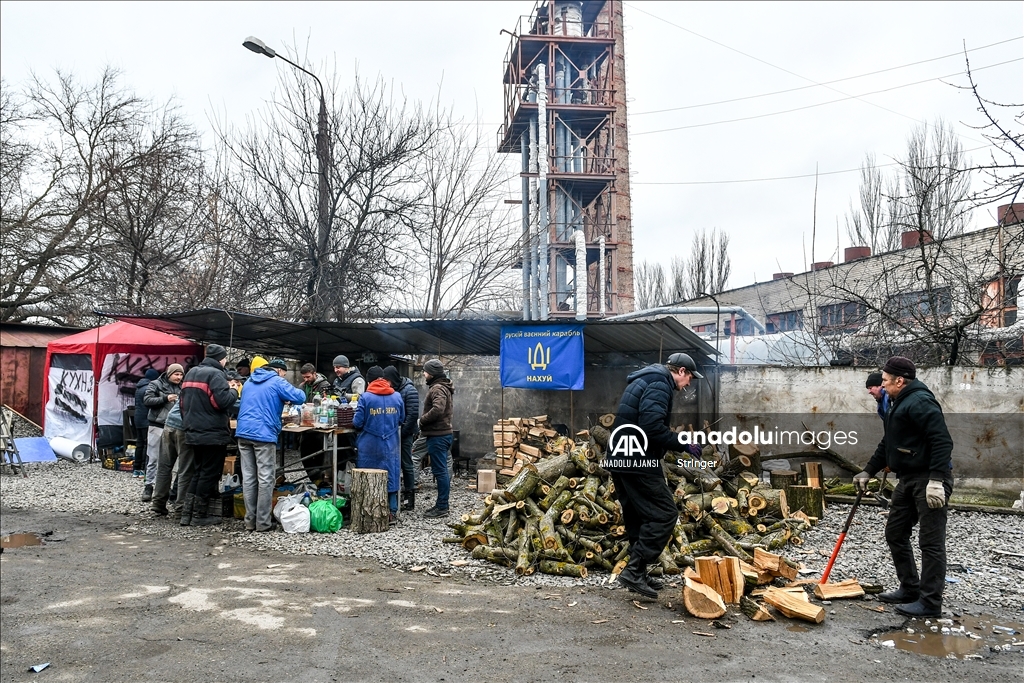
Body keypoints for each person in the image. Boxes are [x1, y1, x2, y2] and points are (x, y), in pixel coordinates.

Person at [854, 356, 953, 618]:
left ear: (900, 380)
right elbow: (888, 443)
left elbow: (942, 441)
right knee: (895, 533)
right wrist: (868, 470)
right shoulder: (899, 403)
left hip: (927, 480)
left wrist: (936, 479)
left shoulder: (920, 401)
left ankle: (930, 603)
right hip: (907, 478)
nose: (882, 386)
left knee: (930, 543)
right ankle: (910, 588)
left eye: (885, 381)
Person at [605, 352, 702, 599]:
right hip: (637, 458)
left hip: (621, 455)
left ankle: (639, 570)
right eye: (689, 376)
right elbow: (651, 427)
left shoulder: (647, 379)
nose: (689, 383)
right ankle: (635, 570)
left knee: (639, 515)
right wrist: (683, 443)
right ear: (680, 371)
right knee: (665, 514)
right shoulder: (660, 383)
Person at [236, 358, 306, 532]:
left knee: (249, 478)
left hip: (243, 432)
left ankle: (250, 521)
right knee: (266, 478)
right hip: (263, 434)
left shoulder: (249, 382)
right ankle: (263, 523)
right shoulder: (277, 381)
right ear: (279, 371)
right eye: (284, 373)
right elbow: (300, 397)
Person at [179, 344, 240, 527]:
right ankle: (199, 515)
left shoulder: (190, 372)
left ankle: (187, 514)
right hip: (212, 432)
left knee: (198, 472)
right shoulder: (216, 374)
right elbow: (223, 402)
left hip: (192, 430)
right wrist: (234, 390)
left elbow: (182, 403)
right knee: (209, 474)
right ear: (221, 359)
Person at [352, 366, 405, 520]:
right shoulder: (396, 396)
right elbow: (402, 419)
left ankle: (368, 511)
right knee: (391, 475)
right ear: (383, 379)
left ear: (369, 380)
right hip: (391, 444)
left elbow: (357, 422)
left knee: (368, 476)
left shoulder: (366, 397)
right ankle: (392, 511)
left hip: (369, 444)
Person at [141, 364, 184, 501]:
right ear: (169, 373)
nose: (179, 377)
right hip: (157, 425)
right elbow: (147, 400)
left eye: (181, 375)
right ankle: (148, 487)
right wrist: (165, 398)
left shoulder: (183, 387)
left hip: (175, 426)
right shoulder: (156, 384)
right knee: (153, 458)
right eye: (176, 374)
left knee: (174, 461)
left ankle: (170, 491)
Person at [419, 359, 454, 519]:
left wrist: (422, 420)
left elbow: (438, 409)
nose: (424, 374)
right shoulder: (443, 387)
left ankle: (442, 506)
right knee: (442, 471)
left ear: (431, 373)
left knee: (440, 472)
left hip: (438, 435)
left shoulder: (438, 388)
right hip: (442, 434)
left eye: (425, 371)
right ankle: (442, 504)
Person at [150, 397, 194, 519]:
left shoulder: (188, 382)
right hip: (183, 427)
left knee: (164, 466)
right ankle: (181, 508)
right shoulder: (209, 383)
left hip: (169, 423)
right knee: (185, 469)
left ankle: (158, 503)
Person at [384, 366, 420, 511]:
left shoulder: (410, 390)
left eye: (387, 380)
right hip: (395, 433)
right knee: (394, 463)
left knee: (407, 464)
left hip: (405, 434)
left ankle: (409, 497)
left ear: (393, 379)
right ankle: (397, 494)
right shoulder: (394, 390)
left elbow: (412, 415)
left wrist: (402, 434)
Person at [133, 369, 159, 478]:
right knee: (146, 445)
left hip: (138, 419)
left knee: (139, 444)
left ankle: (136, 469)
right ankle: (144, 468)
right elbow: (151, 404)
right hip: (146, 419)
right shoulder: (149, 388)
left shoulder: (139, 387)